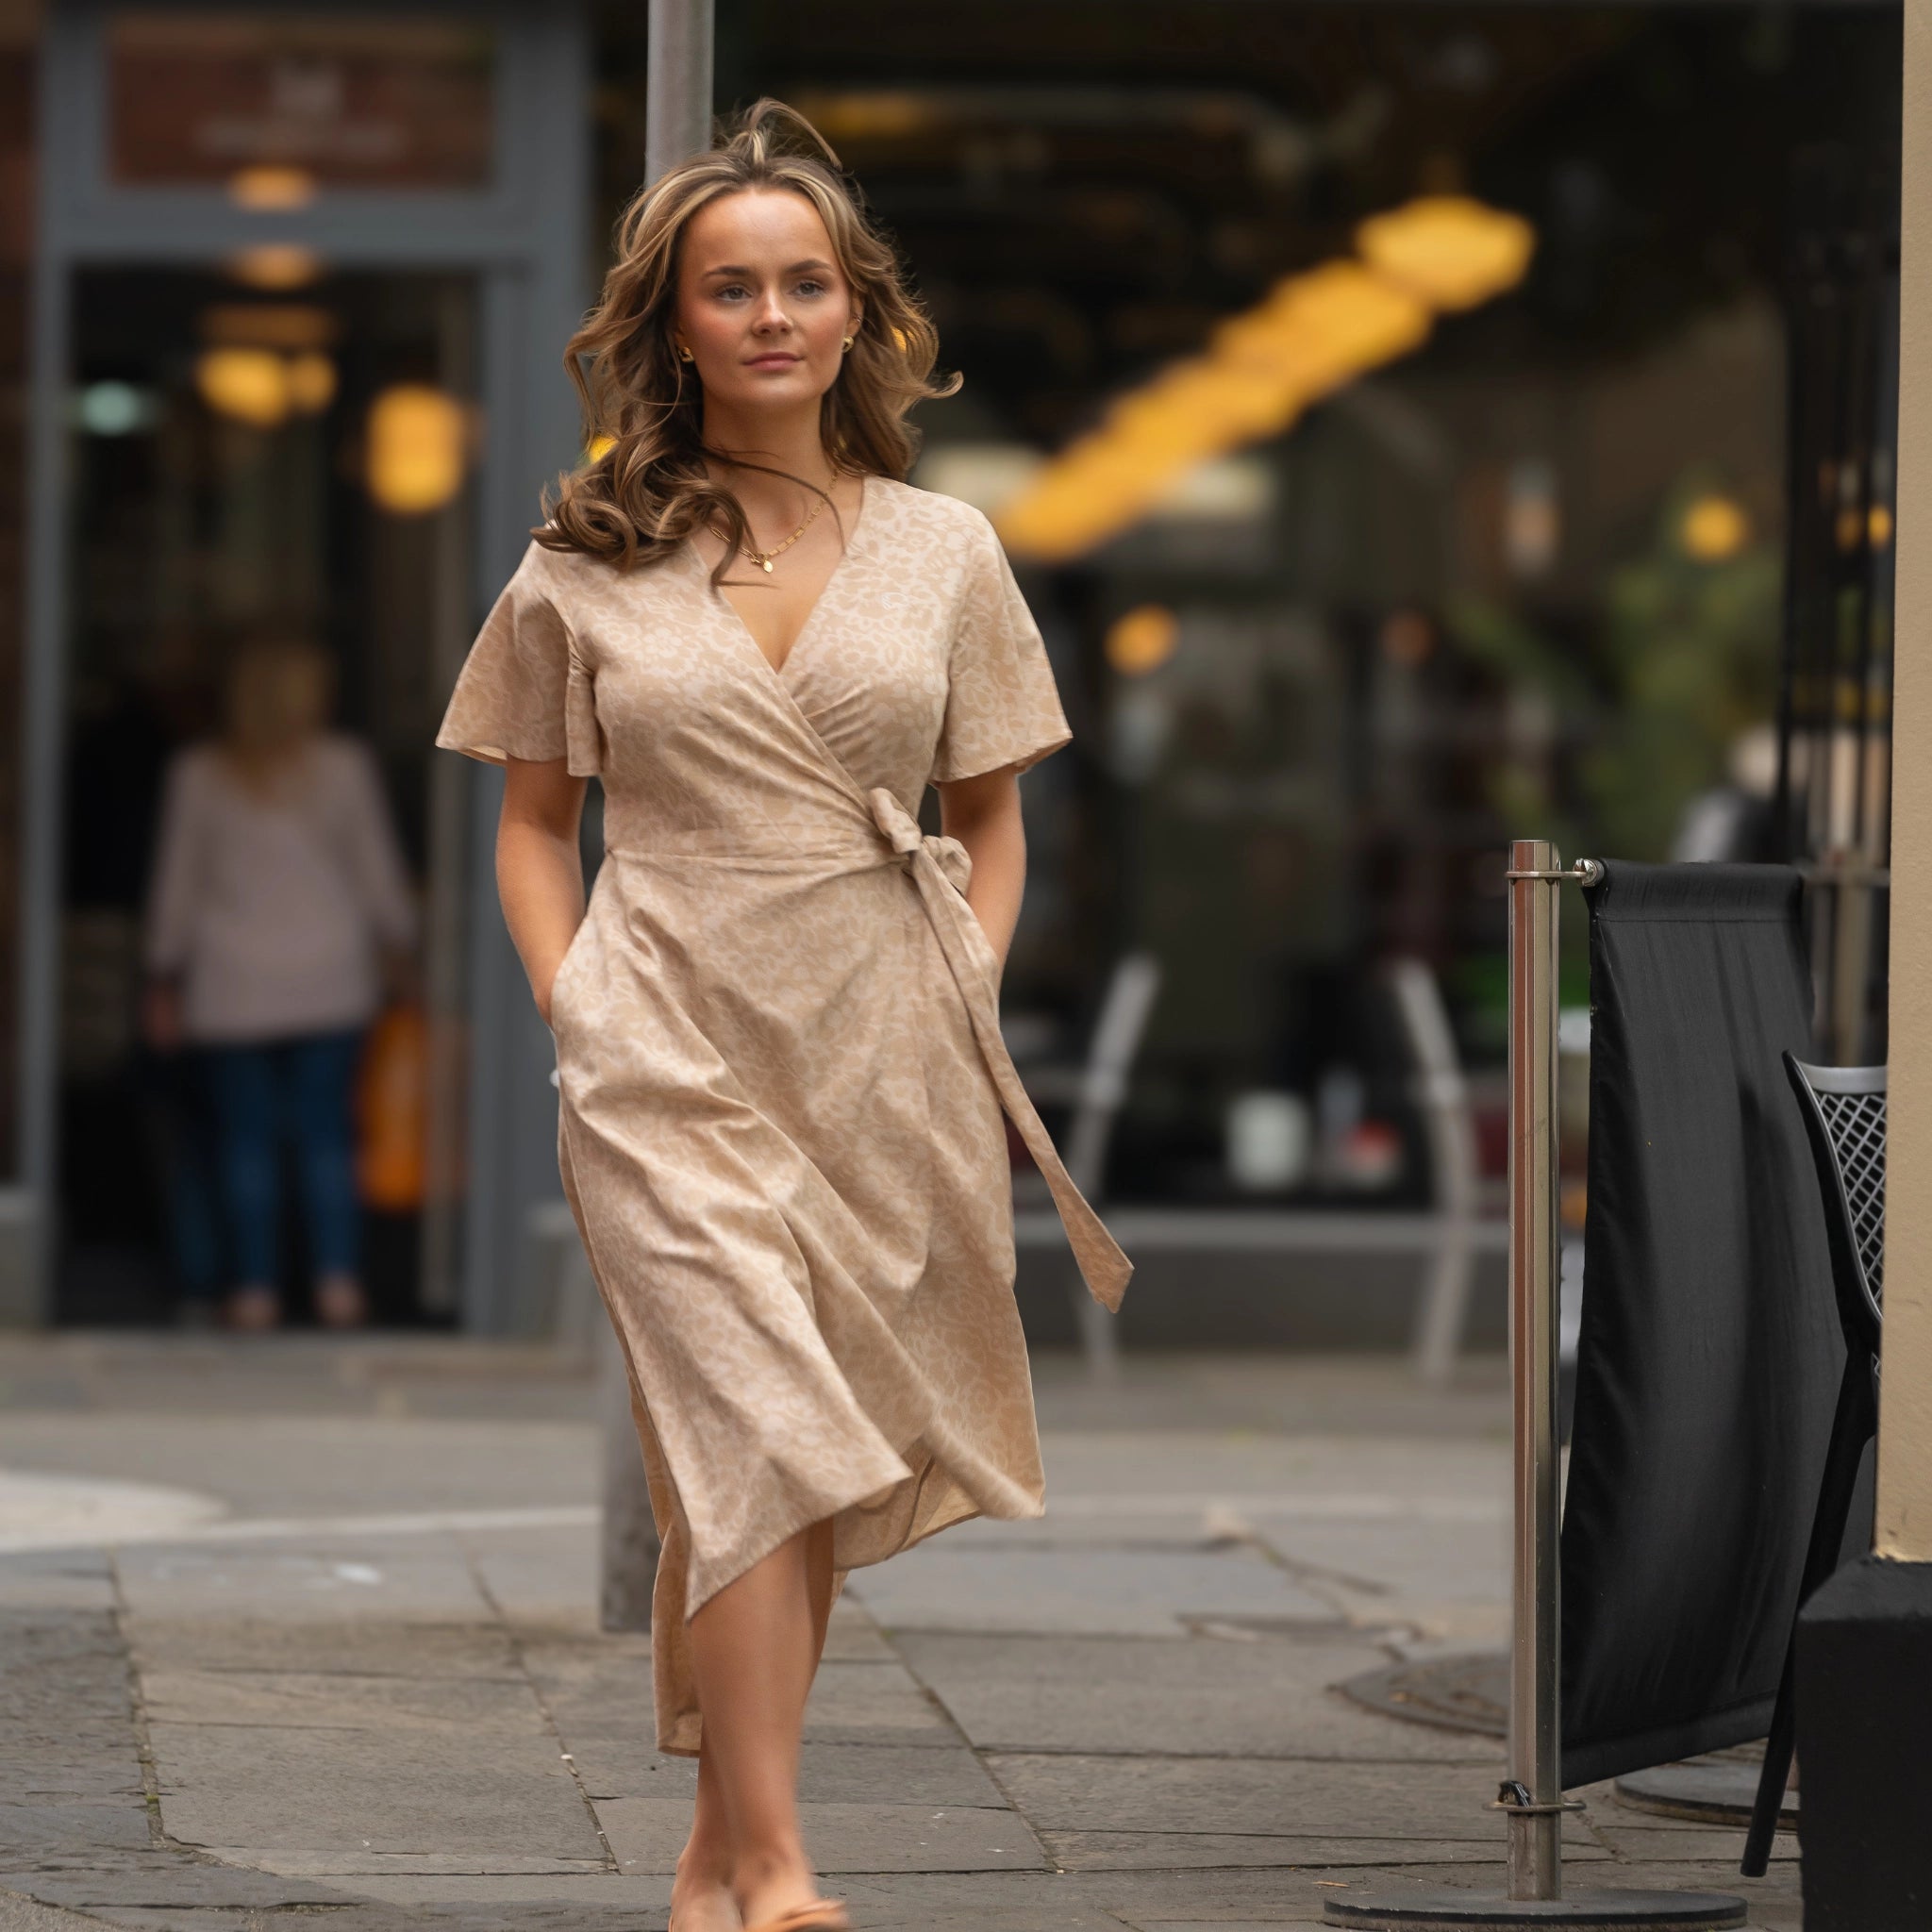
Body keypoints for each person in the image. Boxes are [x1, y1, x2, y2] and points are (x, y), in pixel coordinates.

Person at [435, 99, 1130, 1932]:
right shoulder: (582, 557)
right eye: (727, 286)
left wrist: (961, 984)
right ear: (671, 322)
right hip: (659, 1033)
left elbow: (993, 820)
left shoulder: (945, 551)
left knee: (795, 1444)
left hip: (877, 1043)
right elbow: (528, 823)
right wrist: (574, 1001)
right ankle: (782, 1860)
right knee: (757, 1417)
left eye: (802, 282)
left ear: (854, 313)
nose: (768, 314)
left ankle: (712, 1852)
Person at [142, 638, 418, 1332]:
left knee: (246, 1142)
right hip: (330, 980)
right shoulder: (343, 768)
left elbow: (178, 889)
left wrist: (162, 973)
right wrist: (404, 946)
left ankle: (257, 1290)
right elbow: (378, 877)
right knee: (328, 1137)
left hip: (233, 984)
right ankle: (337, 1285)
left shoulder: (201, 773)